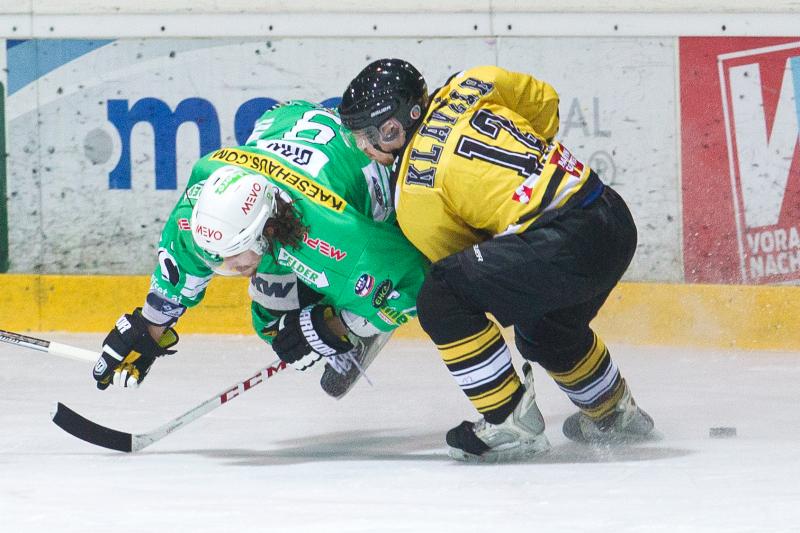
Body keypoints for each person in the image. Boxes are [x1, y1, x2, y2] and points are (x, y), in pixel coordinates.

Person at [339, 59, 654, 462]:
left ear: (394, 127)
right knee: (545, 329)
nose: (364, 148)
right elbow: (546, 105)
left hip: (565, 244)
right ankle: (614, 414)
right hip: (610, 216)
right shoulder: (471, 83)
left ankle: (509, 420)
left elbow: (460, 261)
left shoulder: (414, 190)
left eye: (368, 136)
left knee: (441, 293)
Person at [92, 100, 428, 399]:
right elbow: (182, 265)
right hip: (288, 127)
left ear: (266, 231)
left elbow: (417, 280)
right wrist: (149, 329)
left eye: (234, 253)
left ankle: (354, 307)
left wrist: (340, 325)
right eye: (220, 257)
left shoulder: (326, 234)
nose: (229, 266)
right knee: (271, 320)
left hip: (350, 172)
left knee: (311, 299)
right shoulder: (200, 205)